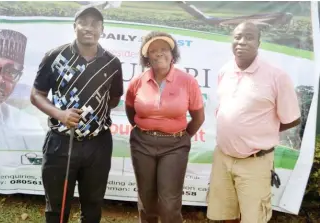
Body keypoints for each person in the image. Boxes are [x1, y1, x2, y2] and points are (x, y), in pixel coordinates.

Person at [30, 6, 123, 223]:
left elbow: (115, 98)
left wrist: (93, 117)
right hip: (61, 143)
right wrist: (60, 113)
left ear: (102, 29)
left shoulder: (112, 63)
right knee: (57, 207)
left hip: (98, 145)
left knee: (92, 206)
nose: (89, 28)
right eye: (83, 22)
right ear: (74, 27)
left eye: (95, 24)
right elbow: (37, 94)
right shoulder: (55, 56)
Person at [206, 22, 301, 223]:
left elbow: (293, 119)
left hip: (255, 161)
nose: (242, 42)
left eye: (249, 37)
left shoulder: (277, 76)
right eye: (238, 37)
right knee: (225, 215)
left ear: (259, 42)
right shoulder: (225, 71)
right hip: (223, 156)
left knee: (253, 219)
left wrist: (260, 131)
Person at [125, 31, 205, 223]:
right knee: (147, 200)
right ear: (146, 56)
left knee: (169, 204)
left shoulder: (188, 81)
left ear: (172, 53)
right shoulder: (138, 82)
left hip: (175, 146)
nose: (159, 54)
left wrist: (181, 136)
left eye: (164, 49)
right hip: (142, 144)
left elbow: (198, 117)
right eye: (153, 50)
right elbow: (131, 112)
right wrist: (147, 129)